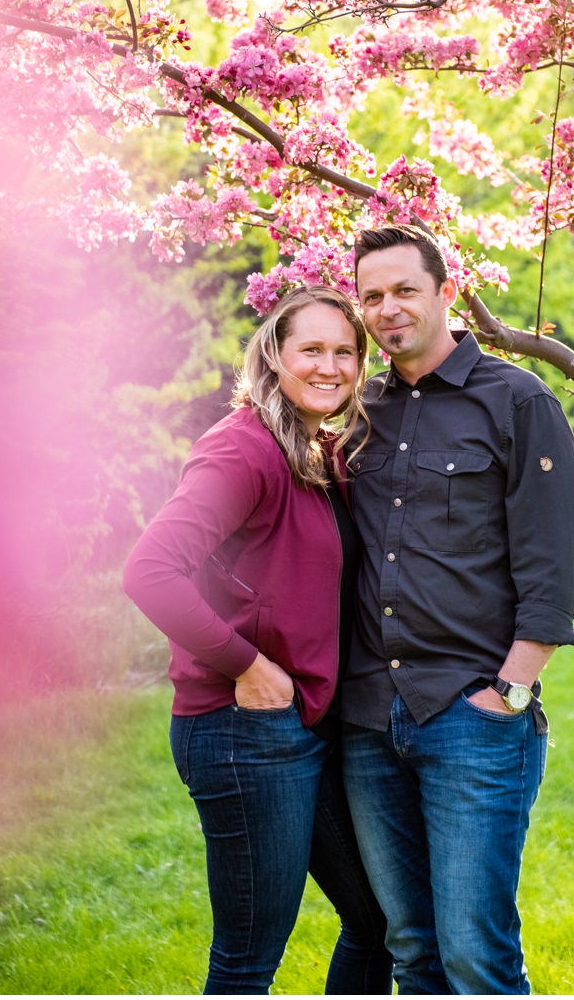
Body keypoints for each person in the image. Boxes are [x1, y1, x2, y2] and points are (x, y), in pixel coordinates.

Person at [341, 224, 574, 995]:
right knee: (411, 947)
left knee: (476, 955)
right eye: (373, 295)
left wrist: (509, 693)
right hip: (367, 718)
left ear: (445, 292)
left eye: (405, 290)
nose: (389, 309)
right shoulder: (357, 410)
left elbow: (559, 566)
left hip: (472, 714)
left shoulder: (517, 400)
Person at [123, 286, 393, 994]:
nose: (331, 365)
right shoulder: (243, 449)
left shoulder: (315, 447)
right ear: (274, 354)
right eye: (312, 349)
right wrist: (246, 665)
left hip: (302, 725)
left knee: (380, 920)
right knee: (247, 963)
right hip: (243, 732)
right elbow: (150, 571)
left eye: (345, 351)